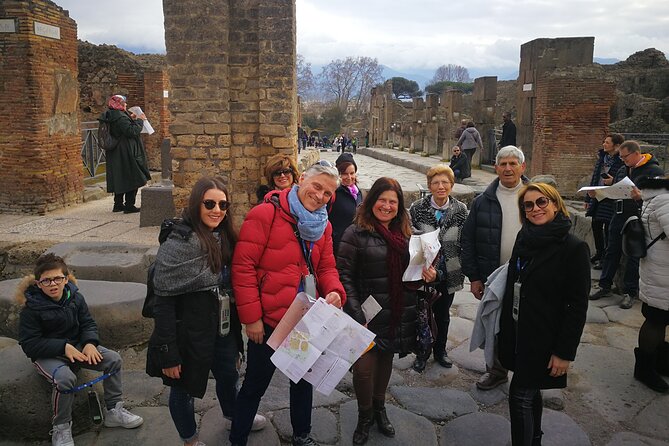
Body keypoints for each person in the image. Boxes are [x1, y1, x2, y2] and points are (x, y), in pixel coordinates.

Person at [230, 163, 346, 446]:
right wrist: (252, 318)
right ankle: (237, 439)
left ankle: (301, 435)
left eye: (327, 193)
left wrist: (334, 291)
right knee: (254, 385)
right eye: (316, 186)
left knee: (303, 381)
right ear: (302, 179)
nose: (319, 196)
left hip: (305, 319)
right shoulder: (266, 214)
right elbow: (243, 267)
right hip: (269, 320)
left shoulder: (324, 226)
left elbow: (327, 266)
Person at [146, 176, 266, 446]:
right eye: (209, 203)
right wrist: (168, 353)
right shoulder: (178, 243)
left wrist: (236, 340)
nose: (217, 210)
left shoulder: (226, 239)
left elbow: (230, 291)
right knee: (182, 390)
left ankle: (233, 415)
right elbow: (163, 303)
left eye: (223, 205)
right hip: (186, 333)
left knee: (229, 375)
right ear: (196, 204)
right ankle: (189, 439)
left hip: (221, 328)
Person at [17, 253, 143, 446]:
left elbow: (87, 323)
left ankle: (113, 411)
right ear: (38, 283)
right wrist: (62, 347)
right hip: (48, 355)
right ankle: (61, 428)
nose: (53, 284)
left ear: (66, 278)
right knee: (66, 379)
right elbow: (29, 344)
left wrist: (90, 342)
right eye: (47, 280)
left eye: (58, 278)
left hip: (78, 347)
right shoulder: (31, 309)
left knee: (114, 359)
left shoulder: (75, 297)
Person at [498, 182, 589, 445]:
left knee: (519, 396)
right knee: (529, 391)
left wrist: (564, 352)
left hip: (544, 337)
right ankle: (534, 438)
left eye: (541, 202)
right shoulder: (524, 237)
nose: (535, 208)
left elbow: (577, 307)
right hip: (519, 330)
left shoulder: (573, 248)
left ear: (555, 204)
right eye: (528, 205)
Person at [337, 177, 419, 445]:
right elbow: (344, 275)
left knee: (385, 361)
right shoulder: (355, 233)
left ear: (399, 205)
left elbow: (415, 274)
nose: (386, 206)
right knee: (362, 370)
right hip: (364, 314)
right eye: (381, 200)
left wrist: (428, 273)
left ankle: (379, 407)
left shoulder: (407, 234)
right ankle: (364, 415)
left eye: (392, 202)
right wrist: (356, 313)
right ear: (371, 201)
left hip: (394, 312)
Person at [461, 145, 528, 390]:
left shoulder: (535, 197)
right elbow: (467, 240)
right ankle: (496, 370)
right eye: (503, 164)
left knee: (526, 326)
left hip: (528, 276)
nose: (508, 168)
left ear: (523, 167)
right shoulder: (483, 201)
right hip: (493, 276)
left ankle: (525, 371)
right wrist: (475, 277)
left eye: (513, 164)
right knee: (495, 325)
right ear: (496, 167)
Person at [590, 140, 664, 309]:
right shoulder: (623, 169)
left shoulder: (654, 171)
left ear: (636, 153)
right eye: (621, 157)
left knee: (633, 255)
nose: (622, 160)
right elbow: (616, 191)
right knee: (611, 250)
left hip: (637, 217)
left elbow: (660, 197)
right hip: (618, 214)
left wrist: (641, 197)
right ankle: (604, 285)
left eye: (625, 157)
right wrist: (599, 194)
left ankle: (630, 292)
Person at [410, 165, 468, 373]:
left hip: (449, 272)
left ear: (452, 185)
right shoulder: (417, 208)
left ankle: (440, 351)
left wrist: (442, 272)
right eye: (436, 183)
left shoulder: (461, 210)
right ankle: (421, 352)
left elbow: (464, 243)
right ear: (429, 186)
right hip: (422, 273)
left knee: (443, 314)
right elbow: (412, 239)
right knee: (422, 315)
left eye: (445, 182)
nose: (440, 186)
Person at [634, 176, 669, 393]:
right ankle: (645, 369)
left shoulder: (656, 197)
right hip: (662, 274)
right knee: (656, 320)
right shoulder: (664, 200)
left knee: (659, 319)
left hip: (659, 271)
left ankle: (661, 362)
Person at [100, 94, 151, 214]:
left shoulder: (112, 114)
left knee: (120, 176)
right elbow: (131, 131)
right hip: (125, 151)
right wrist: (140, 120)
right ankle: (129, 205)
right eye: (124, 103)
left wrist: (131, 118)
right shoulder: (119, 116)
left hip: (116, 151)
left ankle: (118, 204)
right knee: (133, 176)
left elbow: (123, 127)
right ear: (119, 104)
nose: (126, 105)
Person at [584, 133, 625, 269]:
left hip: (611, 198)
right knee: (595, 224)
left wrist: (613, 181)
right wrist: (588, 197)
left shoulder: (622, 161)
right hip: (597, 196)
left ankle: (605, 259)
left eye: (607, 143)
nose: (604, 144)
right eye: (604, 142)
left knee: (608, 228)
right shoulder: (602, 158)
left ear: (617, 146)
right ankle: (599, 252)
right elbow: (595, 176)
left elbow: (625, 182)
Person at [329, 153, 363, 254]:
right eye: (344, 173)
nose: (349, 177)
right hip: (338, 246)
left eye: (352, 173)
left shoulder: (358, 192)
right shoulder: (333, 193)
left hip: (356, 244)